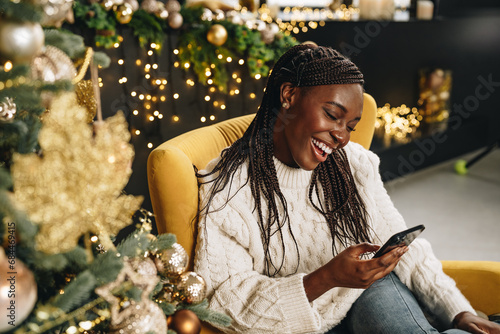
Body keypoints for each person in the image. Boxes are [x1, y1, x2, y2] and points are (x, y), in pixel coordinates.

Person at [194, 44, 500, 334]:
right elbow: (224, 304)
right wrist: (325, 278)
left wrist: (460, 313)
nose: (341, 136)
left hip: (364, 294)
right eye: (332, 115)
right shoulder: (229, 188)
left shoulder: (353, 163)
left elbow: (405, 250)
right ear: (289, 95)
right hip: (294, 324)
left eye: (350, 126)